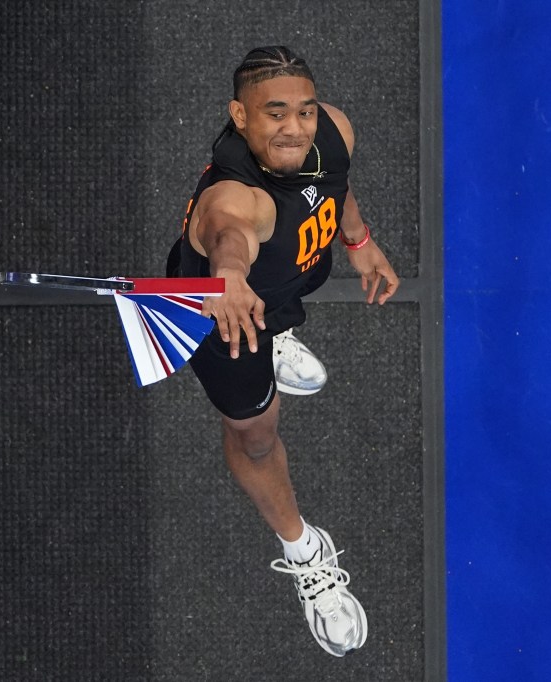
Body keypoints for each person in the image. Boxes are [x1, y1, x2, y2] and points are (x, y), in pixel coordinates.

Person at [166, 46, 400, 657]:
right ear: (238, 117)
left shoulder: (332, 129)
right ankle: (305, 548)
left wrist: (358, 239)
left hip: (284, 285)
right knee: (257, 436)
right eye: (275, 115)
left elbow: (337, 183)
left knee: (291, 287)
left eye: (303, 110)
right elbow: (229, 236)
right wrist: (230, 276)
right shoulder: (237, 198)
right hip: (227, 317)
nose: (295, 128)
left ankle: (281, 333)